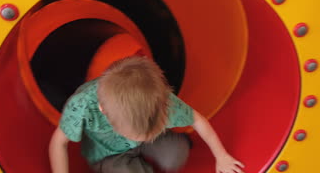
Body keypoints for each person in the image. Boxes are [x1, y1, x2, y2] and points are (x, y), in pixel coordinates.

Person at [49, 56, 244, 173]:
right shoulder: (82, 105)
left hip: (151, 139)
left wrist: (221, 155)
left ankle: (157, 146)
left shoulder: (160, 101)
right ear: (103, 112)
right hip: (108, 154)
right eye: (135, 134)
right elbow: (58, 143)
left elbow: (198, 120)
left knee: (176, 156)